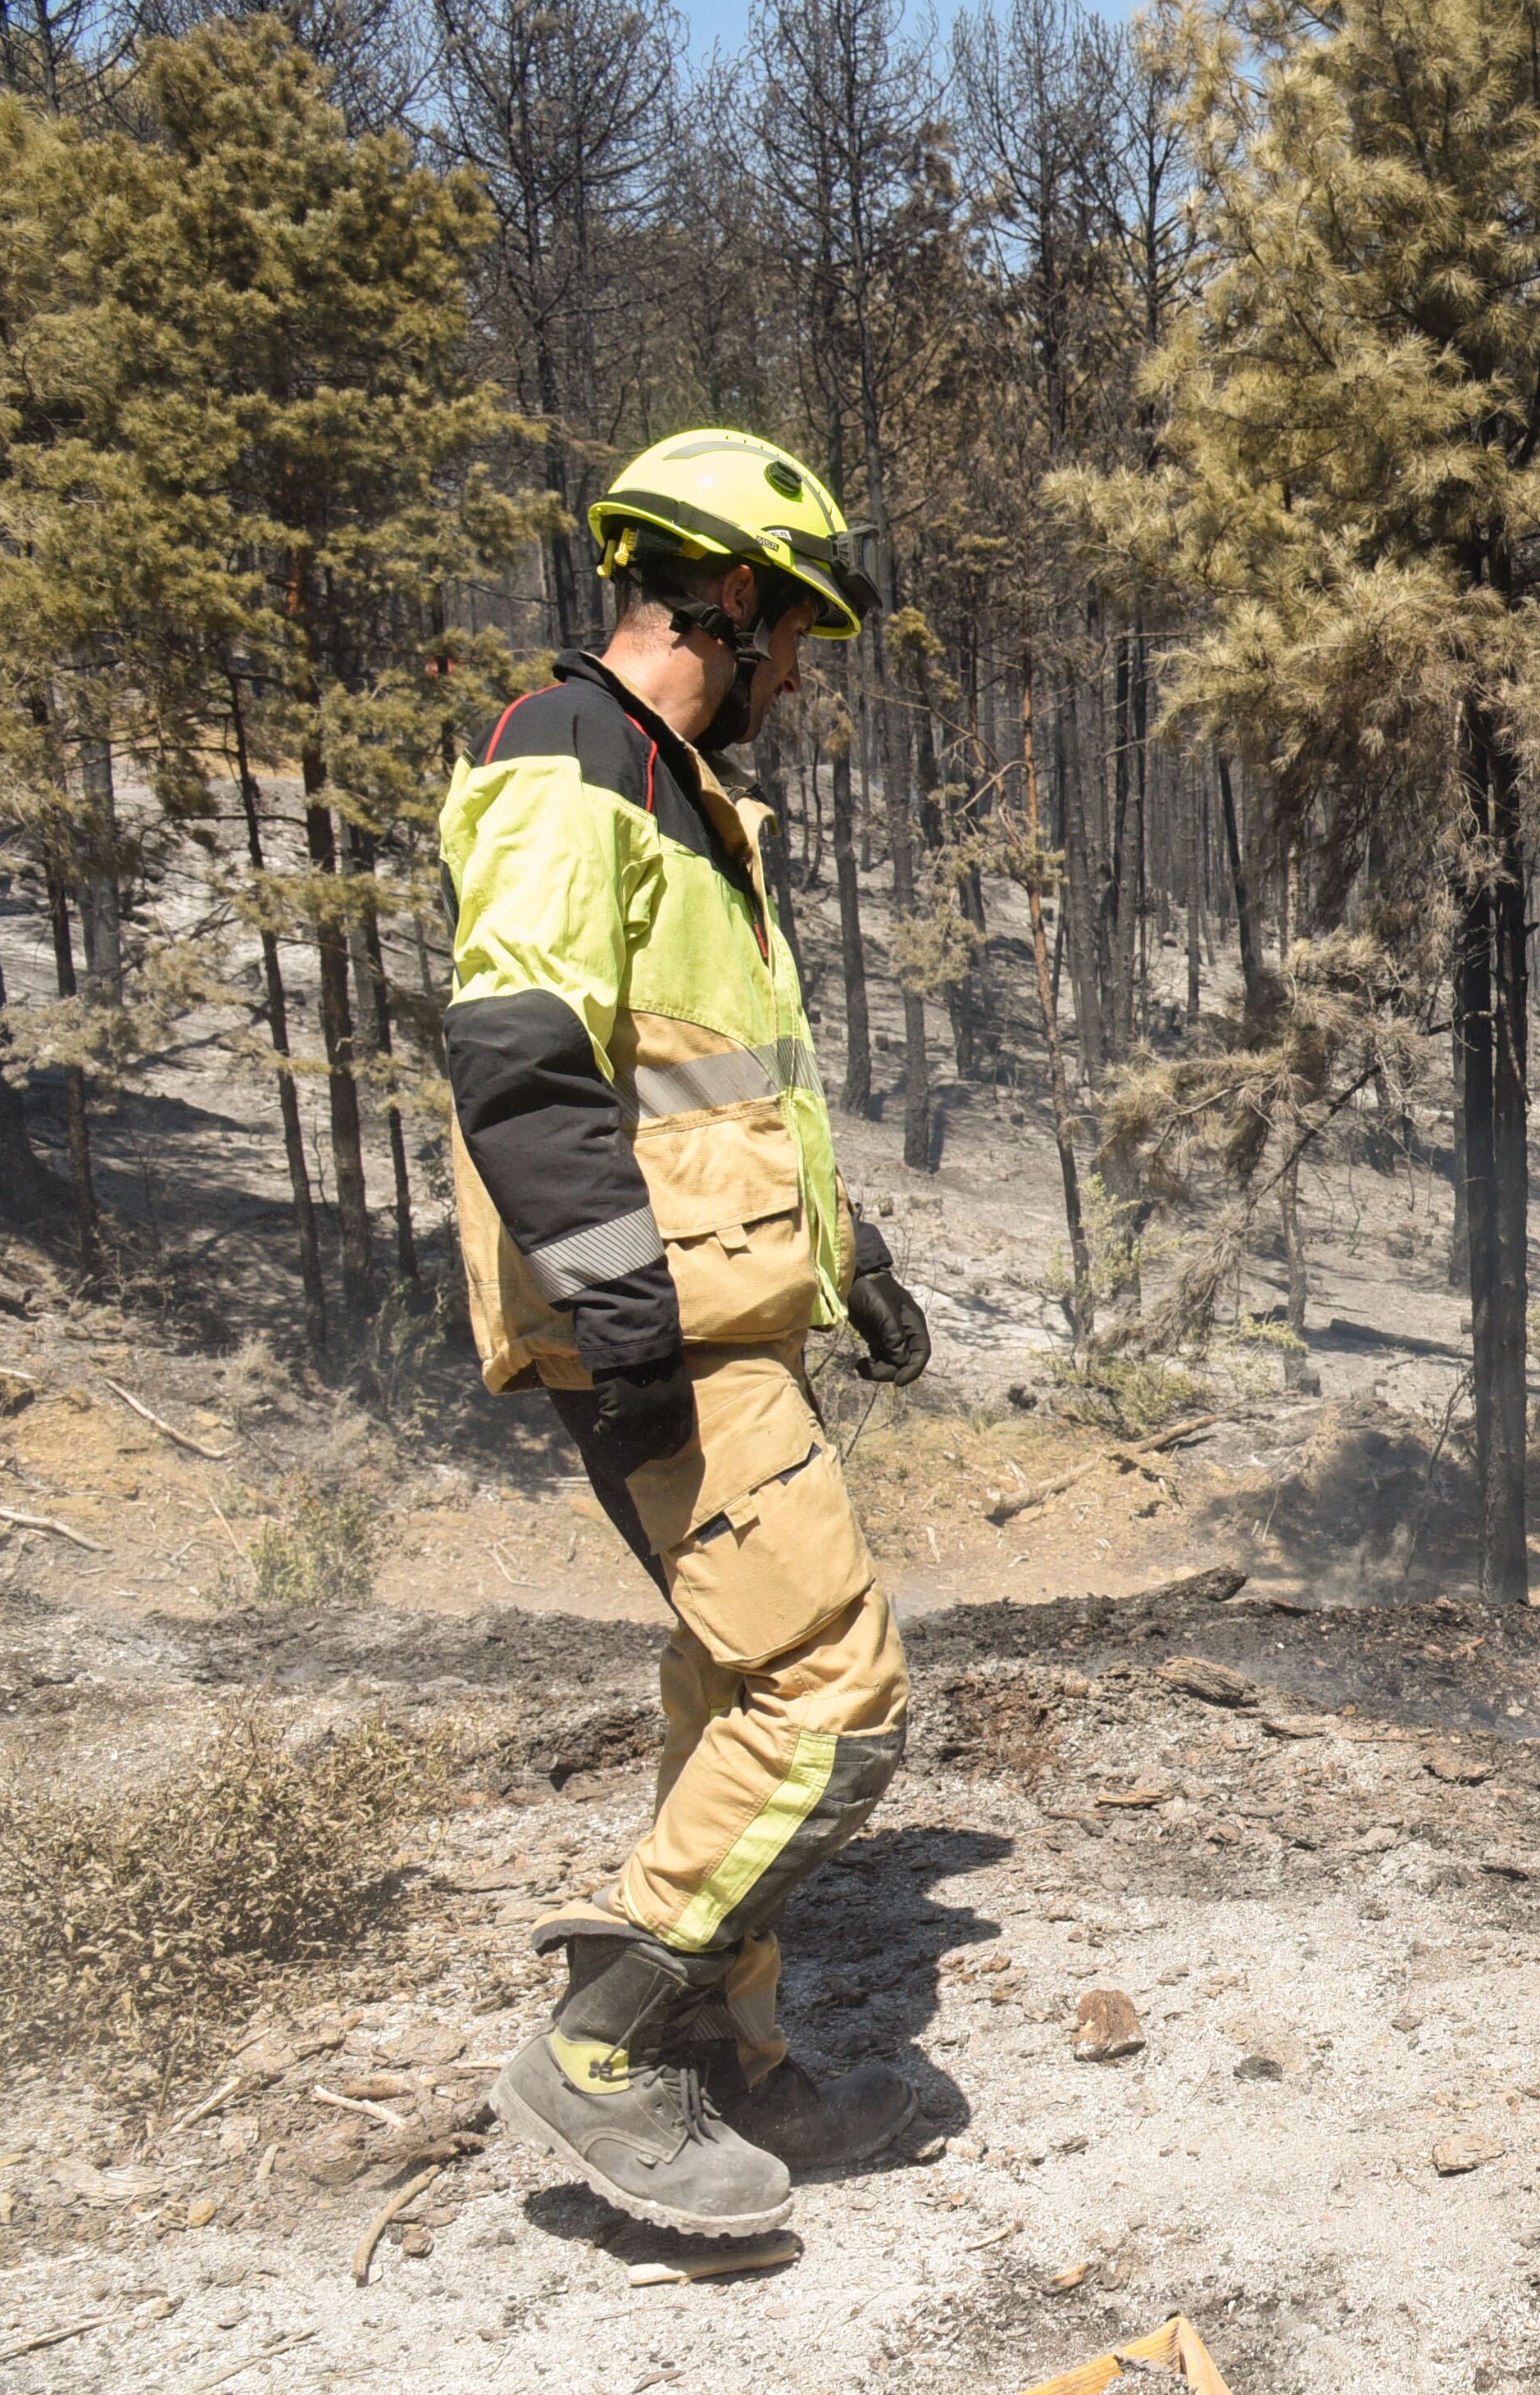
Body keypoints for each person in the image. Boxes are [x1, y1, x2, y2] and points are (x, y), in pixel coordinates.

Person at [442, 429, 934, 2236]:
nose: (798, 671)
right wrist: (630, 1326)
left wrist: (848, 1250)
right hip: (662, 1330)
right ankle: (603, 2046)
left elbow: (702, 1090)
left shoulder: (667, 791)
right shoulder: (570, 758)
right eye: (791, 630)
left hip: (721, 1307)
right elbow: (522, 1058)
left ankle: (736, 2057)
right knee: (831, 1696)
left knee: (737, 1681)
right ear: (723, 597)